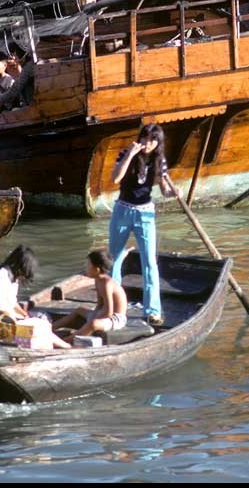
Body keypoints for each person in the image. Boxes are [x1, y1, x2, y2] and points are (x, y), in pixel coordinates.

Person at [108, 123, 173, 327]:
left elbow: (165, 190)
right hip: (122, 211)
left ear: (157, 143)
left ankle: (152, 311)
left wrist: (174, 193)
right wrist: (130, 154)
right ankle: (112, 307)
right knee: (114, 259)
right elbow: (116, 178)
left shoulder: (159, 161)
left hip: (145, 214)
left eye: (152, 140)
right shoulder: (125, 153)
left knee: (149, 263)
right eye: (144, 138)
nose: (147, 143)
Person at [52, 249, 127, 342]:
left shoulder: (107, 284)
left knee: (93, 324)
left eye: (88, 265)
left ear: (97, 269)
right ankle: (51, 328)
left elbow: (109, 312)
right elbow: (99, 305)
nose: (85, 267)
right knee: (78, 310)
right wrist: (94, 314)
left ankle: (67, 340)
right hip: (104, 313)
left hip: (115, 319)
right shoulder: (97, 280)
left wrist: (93, 320)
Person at [0, 245, 38, 324]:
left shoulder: (13, 278)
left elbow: (12, 302)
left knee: (40, 317)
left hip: (6, 316)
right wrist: (15, 320)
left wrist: (25, 315)